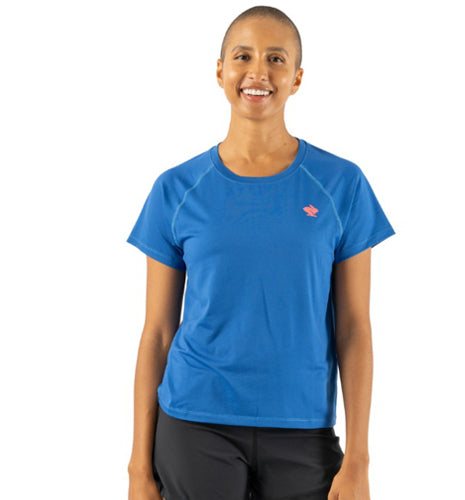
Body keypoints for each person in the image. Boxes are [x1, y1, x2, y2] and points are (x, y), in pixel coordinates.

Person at [126, 6, 395, 500]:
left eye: (275, 58)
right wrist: (137, 469)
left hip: (304, 429)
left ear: (297, 78)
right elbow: (158, 333)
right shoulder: (177, 189)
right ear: (220, 71)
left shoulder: (342, 184)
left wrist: (358, 457)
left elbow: (355, 328)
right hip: (194, 424)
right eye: (242, 56)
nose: (258, 72)